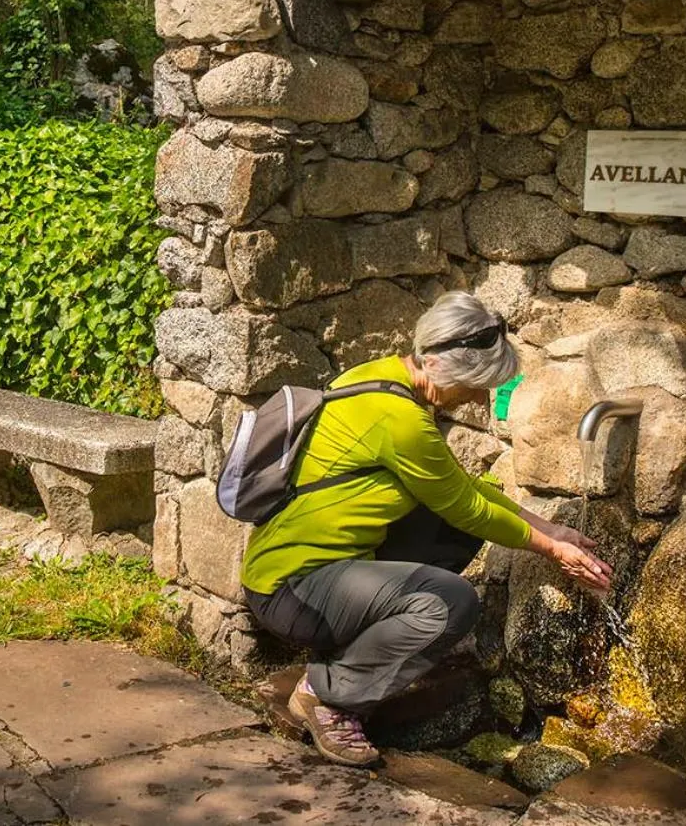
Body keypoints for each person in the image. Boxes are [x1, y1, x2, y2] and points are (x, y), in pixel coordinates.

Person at [241, 290, 613, 767]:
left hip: (314, 567)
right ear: (440, 367)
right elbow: (468, 507)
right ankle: (328, 697)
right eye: (476, 384)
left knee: (449, 530)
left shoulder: (380, 376)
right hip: (293, 588)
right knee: (450, 603)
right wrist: (551, 548)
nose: (480, 398)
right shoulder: (401, 421)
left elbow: (461, 491)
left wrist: (551, 530)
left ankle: (365, 647)